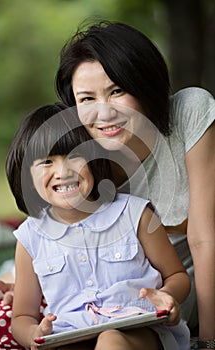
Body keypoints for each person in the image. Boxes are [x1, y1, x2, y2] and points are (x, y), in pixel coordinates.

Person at [55, 21, 215, 349]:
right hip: (134, 311)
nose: (104, 112)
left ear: (144, 84)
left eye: (117, 91)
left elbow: (203, 238)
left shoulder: (188, 112)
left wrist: (209, 341)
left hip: (191, 296)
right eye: (86, 98)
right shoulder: (80, 159)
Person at [5, 102, 190, 350]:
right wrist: (33, 335)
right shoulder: (30, 236)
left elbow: (178, 276)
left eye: (74, 157)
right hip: (69, 335)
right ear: (26, 176)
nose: (63, 172)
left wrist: (168, 297)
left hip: (138, 330)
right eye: (47, 162)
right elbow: (22, 317)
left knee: (110, 340)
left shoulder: (135, 214)